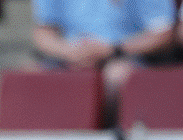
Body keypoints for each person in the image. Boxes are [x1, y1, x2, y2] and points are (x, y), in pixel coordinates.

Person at [30, 0, 176, 123]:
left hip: (125, 56)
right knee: (28, 77)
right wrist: (69, 52)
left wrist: (113, 49)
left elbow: (163, 34)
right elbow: (43, 32)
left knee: (117, 76)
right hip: (67, 58)